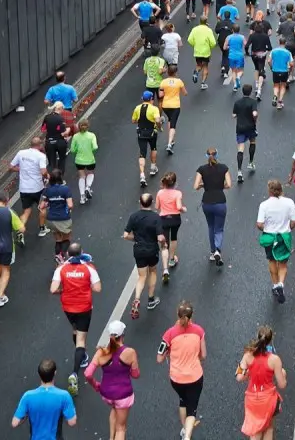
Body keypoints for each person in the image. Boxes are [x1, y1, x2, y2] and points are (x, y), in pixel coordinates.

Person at [51, 243, 102, 395]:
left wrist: (63, 290)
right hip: (84, 307)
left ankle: (83, 356)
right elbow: (97, 288)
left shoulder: (61, 269)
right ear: (82, 253)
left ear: (67, 254)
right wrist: (86, 286)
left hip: (68, 307)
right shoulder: (88, 268)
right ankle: (74, 372)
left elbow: (53, 289)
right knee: (81, 340)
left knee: (74, 329)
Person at [84, 321, 141, 440]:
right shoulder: (130, 352)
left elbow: (88, 374)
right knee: (121, 428)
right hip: (123, 395)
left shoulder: (101, 352)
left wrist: (95, 385)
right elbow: (136, 375)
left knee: (115, 409)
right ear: (122, 335)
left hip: (107, 394)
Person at [159, 301, 207, 440]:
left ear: (177, 315)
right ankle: (187, 437)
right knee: (192, 411)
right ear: (192, 316)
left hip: (176, 379)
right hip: (195, 377)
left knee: (182, 401)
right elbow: (203, 355)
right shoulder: (199, 331)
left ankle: (184, 429)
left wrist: (169, 351)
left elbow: (159, 358)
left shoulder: (169, 334)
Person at [238, 326, 288, 440]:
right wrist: (283, 373)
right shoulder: (275, 359)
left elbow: (239, 377)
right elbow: (282, 384)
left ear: (257, 337)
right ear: (270, 341)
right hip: (269, 400)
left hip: (252, 400)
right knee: (269, 427)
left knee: (255, 430)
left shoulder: (247, 356)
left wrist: (246, 370)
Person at [257, 180, 295, 303]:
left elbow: (259, 224)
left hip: (270, 237)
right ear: (281, 189)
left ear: (269, 191)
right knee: (283, 263)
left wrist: (265, 228)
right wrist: (288, 229)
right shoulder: (289, 202)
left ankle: (275, 285)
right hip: (283, 236)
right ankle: (281, 284)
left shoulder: (264, 205)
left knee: (271, 260)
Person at [12, 359, 77, 438]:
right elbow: (72, 422)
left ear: (39, 374)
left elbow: (15, 423)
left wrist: (26, 415)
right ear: (55, 373)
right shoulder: (64, 396)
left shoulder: (27, 396)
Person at [124, 193, 164, 319]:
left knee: (141, 276)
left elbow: (126, 235)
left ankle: (136, 299)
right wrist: (163, 243)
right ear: (151, 203)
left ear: (140, 202)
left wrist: (135, 238)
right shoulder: (156, 218)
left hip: (139, 250)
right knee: (152, 272)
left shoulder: (133, 216)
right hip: (152, 249)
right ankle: (151, 299)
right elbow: (160, 237)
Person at [194, 147, 232, 266]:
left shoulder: (201, 169)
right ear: (217, 155)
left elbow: (195, 186)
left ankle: (212, 251)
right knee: (219, 229)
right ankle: (218, 250)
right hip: (220, 201)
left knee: (211, 226)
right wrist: (220, 186)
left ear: (206, 156)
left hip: (207, 203)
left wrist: (203, 185)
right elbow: (229, 184)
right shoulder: (224, 168)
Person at [11, 137, 50, 240]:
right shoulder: (41, 156)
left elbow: (11, 167)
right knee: (42, 207)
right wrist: (47, 176)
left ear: (30, 144)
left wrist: (20, 169)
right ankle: (42, 229)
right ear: (40, 145)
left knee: (26, 211)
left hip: (24, 188)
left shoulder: (21, 153)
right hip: (38, 188)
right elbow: (43, 172)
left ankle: (20, 231)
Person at [156, 173, 184, 283]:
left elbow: (157, 207)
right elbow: (178, 207)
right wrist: (183, 209)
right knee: (174, 238)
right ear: (175, 183)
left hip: (163, 219)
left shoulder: (160, 193)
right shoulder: (178, 193)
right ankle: (172, 260)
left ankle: (165, 269)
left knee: (164, 244)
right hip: (175, 219)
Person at [233, 84, 260, 180]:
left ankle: (239, 171)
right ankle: (250, 162)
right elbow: (254, 113)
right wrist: (255, 119)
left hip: (240, 127)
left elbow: (234, 115)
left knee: (240, 148)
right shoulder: (253, 102)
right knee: (252, 142)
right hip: (250, 127)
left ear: (243, 91)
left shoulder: (237, 102)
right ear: (250, 91)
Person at [158, 65, 186, 155]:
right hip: (175, 106)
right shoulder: (179, 82)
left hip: (165, 105)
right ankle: (169, 144)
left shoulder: (163, 82)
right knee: (173, 125)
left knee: (170, 120)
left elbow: (160, 95)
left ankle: (172, 139)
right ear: (176, 72)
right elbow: (185, 93)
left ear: (167, 72)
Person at [70, 119, 98, 204]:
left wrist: (76, 152)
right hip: (90, 159)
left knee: (82, 176)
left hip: (79, 160)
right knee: (90, 173)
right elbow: (95, 147)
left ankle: (82, 196)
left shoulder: (75, 136)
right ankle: (88, 187)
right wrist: (91, 151)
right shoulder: (92, 135)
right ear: (88, 126)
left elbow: (72, 149)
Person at [245, 18, 272, 100]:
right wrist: (266, 50)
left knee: (256, 68)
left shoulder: (252, 36)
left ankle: (256, 84)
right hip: (262, 55)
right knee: (261, 71)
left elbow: (246, 46)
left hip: (254, 55)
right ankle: (259, 89)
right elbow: (270, 47)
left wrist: (247, 53)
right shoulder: (265, 36)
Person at [187, 17, 217, 89]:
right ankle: (203, 83)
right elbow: (213, 43)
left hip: (197, 51)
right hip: (206, 52)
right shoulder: (208, 30)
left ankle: (196, 72)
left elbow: (189, 40)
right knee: (205, 66)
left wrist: (195, 44)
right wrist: (210, 47)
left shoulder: (194, 29)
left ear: (200, 21)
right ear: (206, 22)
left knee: (199, 64)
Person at [41, 101, 71, 172]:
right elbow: (63, 133)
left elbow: (43, 129)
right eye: (63, 109)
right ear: (60, 108)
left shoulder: (47, 117)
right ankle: (59, 179)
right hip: (60, 142)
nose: (63, 110)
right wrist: (68, 130)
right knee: (62, 160)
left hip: (49, 142)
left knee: (51, 163)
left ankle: (52, 179)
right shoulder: (60, 119)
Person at [269, 38, 294, 109]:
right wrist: (290, 68)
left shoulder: (273, 51)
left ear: (279, 42)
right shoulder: (288, 52)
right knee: (283, 86)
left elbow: (269, 61)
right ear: (285, 43)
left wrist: (271, 67)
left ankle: (275, 96)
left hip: (275, 71)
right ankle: (280, 102)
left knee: (276, 85)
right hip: (284, 71)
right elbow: (291, 64)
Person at [225, 21, 247, 92]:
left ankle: (235, 86)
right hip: (239, 56)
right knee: (241, 71)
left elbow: (224, 47)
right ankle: (238, 77)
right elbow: (246, 45)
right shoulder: (242, 37)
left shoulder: (228, 37)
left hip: (231, 56)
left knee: (233, 71)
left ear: (232, 30)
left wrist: (229, 47)